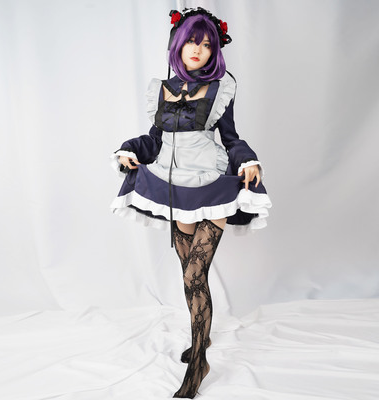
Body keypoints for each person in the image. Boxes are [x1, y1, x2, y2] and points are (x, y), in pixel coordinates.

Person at [109, 7, 272, 398]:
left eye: (206, 44)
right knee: (190, 276)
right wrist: (129, 149)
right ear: (178, 45)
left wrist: (248, 160)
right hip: (173, 189)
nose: (198, 49)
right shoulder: (161, 89)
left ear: (215, 50)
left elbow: (230, 137)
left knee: (193, 276)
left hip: (211, 185)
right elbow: (154, 140)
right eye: (192, 42)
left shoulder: (220, 88)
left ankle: (199, 360)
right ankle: (203, 336)